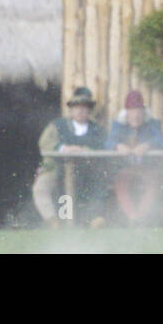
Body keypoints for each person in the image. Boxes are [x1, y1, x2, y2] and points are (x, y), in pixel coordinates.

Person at [33, 86, 108, 227]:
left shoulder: (97, 130)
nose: (80, 110)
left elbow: (103, 147)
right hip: (57, 167)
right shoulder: (57, 125)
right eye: (76, 107)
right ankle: (56, 221)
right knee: (41, 187)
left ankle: (93, 219)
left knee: (96, 186)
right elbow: (45, 143)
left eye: (84, 107)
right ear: (71, 109)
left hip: (87, 169)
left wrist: (83, 150)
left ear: (89, 110)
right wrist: (63, 148)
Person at [105, 89, 163, 225]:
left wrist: (148, 145)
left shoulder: (152, 124)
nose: (136, 116)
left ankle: (142, 216)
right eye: (132, 112)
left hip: (147, 167)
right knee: (121, 182)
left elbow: (162, 141)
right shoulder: (118, 125)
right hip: (126, 168)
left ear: (143, 112)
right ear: (127, 113)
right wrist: (118, 146)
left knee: (152, 183)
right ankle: (132, 216)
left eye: (139, 111)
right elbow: (108, 143)